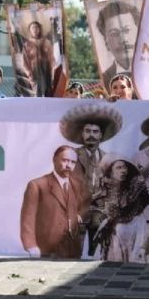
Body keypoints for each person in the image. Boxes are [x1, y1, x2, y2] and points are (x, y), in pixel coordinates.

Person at [59, 104, 123, 257]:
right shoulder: (72, 155)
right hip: (77, 211)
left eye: (95, 132)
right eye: (88, 131)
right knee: (73, 253)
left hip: (99, 213)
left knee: (99, 255)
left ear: (101, 135)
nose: (91, 135)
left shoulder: (107, 159)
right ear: (82, 134)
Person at [20, 145, 91, 259]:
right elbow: (28, 218)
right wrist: (31, 246)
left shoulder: (77, 185)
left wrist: (78, 216)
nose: (69, 165)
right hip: (46, 249)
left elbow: (85, 204)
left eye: (73, 162)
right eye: (65, 160)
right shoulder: (37, 185)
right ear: (54, 160)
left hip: (73, 249)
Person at [94, 157, 149, 261]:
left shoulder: (135, 186)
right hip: (115, 231)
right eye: (118, 168)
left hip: (135, 226)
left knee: (134, 258)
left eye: (125, 167)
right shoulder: (105, 190)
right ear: (111, 172)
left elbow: (135, 205)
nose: (123, 170)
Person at [96, 0, 139, 86]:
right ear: (105, 41)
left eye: (127, 30)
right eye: (114, 33)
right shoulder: (104, 82)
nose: (123, 39)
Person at [12, 20, 55, 97]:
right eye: (33, 28)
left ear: (39, 29)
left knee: (48, 91)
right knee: (36, 92)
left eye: (36, 27)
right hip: (34, 71)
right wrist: (29, 73)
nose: (35, 29)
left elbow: (51, 58)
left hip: (46, 70)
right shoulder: (27, 44)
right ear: (30, 30)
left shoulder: (46, 42)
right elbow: (25, 61)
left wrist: (52, 71)